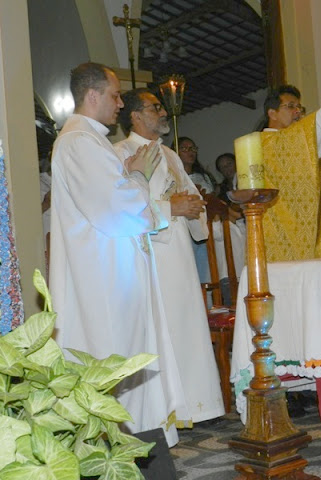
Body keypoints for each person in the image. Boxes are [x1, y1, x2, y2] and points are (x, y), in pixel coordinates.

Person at [49, 63, 188, 446]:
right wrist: (139, 176)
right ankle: (129, 448)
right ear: (93, 95)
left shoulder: (88, 141)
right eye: (114, 95)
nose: (120, 103)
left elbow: (110, 197)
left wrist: (127, 174)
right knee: (118, 359)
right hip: (104, 280)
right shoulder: (79, 142)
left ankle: (142, 446)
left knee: (130, 360)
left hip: (113, 274)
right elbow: (119, 212)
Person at [114, 88, 225, 424]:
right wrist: (169, 209)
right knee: (164, 329)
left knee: (187, 324)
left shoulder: (171, 154)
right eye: (155, 107)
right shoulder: (121, 153)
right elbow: (121, 208)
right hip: (151, 256)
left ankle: (199, 406)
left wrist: (193, 207)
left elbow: (190, 197)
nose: (163, 113)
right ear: (135, 115)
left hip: (180, 256)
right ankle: (168, 410)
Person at [260, 84, 321, 261]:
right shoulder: (264, 143)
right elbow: (294, 138)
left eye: (299, 108)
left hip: (305, 226)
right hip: (277, 230)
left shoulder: (297, 142)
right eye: (290, 106)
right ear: (272, 113)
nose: (297, 112)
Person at [178, 137, 246, 290]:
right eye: (184, 148)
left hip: (209, 224)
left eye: (193, 148)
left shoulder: (204, 177)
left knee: (209, 268)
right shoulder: (175, 176)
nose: (190, 152)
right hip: (188, 224)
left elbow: (213, 202)